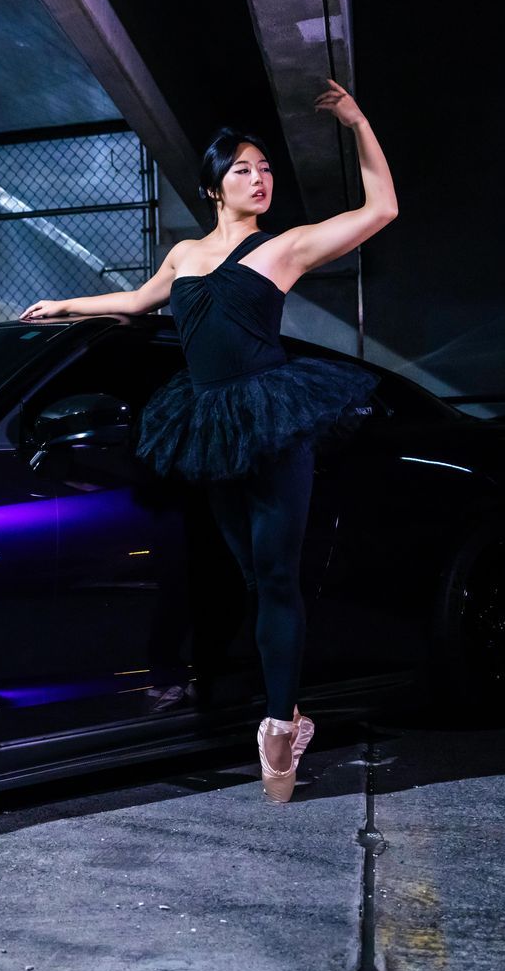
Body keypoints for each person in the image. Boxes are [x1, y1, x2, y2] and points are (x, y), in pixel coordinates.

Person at [20, 79, 397, 803]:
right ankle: (287, 708)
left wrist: (355, 119)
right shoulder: (186, 255)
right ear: (214, 186)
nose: (259, 180)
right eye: (242, 170)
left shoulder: (284, 248)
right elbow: (134, 302)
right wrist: (67, 304)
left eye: (264, 169)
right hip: (209, 425)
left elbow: (382, 208)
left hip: (273, 418)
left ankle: (278, 728)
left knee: (278, 578)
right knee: (255, 578)